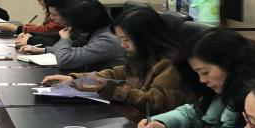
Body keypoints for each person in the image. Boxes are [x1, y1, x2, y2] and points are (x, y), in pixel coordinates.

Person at [137, 28, 255, 128]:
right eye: (198, 74)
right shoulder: (223, 90)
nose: (202, 80)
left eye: (205, 73)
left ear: (230, 64)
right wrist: (162, 123)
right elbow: (193, 113)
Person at [39, 8, 198, 112]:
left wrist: (111, 89)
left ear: (146, 37)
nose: (122, 45)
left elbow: (157, 103)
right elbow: (116, 73)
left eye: (126, 40)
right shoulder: (145, 57)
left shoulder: (171, 64)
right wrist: (74, 78)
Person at [20, 0, 124, 72]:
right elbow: (81, 50)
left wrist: (65, 39)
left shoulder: (107, 40)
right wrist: (44, 50)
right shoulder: (101, 32)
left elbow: (65, 61)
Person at [0, 0, 64, 35]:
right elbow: (47, 29)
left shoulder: (60, 9)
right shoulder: (56, 7)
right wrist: (34, 28)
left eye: (39, 0)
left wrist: (16, 28)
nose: (39, 3)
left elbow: (49, 30)